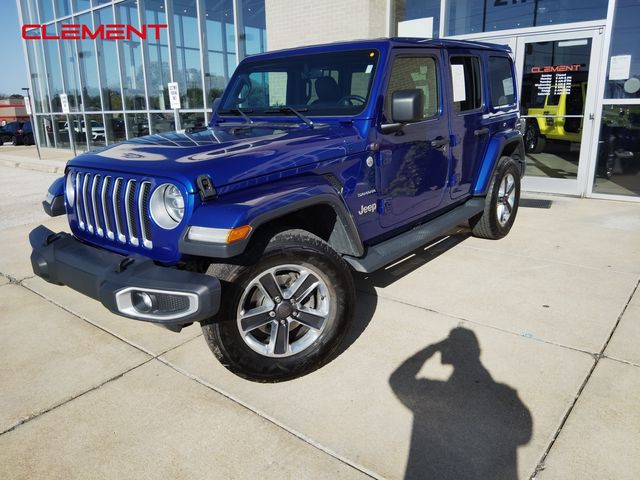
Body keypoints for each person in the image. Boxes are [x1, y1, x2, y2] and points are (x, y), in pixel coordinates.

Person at [390, 327, 532, 480]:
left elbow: (398, 379)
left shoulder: (433, 395)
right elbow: (524, 435)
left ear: (449, 353)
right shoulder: (505, 395)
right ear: (477, 352)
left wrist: (431, 348)